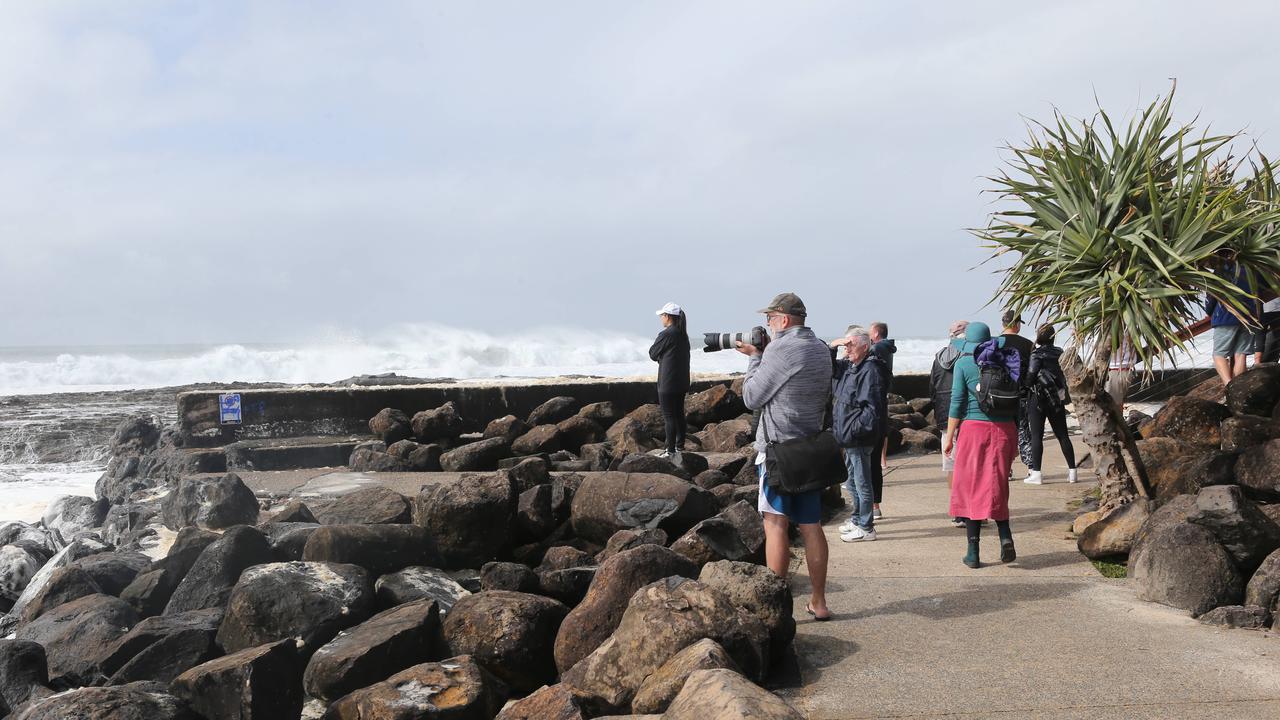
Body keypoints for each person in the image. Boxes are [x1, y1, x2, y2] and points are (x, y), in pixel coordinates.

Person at [736, 292, 834, 619]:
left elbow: (751, 397)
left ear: (784, 319)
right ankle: (818, 602)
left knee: (775, 525)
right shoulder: (821, 348)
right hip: (810, 449)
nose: (767, 325)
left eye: (770, 319)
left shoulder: (781, 348)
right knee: (811, 526)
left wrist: (754, 358)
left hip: (779, 452)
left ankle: (776, 611)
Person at [942, 322, 1019, 569]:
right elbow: (1018, 400)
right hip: (1005, 430)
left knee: (970, 488)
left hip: (974, 430)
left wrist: (950, 436)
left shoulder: (964, 364)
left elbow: (956, 402)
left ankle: (973, 552)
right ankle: (1005, 537)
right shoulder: (1006, 362)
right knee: (998, 484)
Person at [829, 328, 885, 542]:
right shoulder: (851, 366)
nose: (847, 348)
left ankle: (866, 527)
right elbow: (830, 369)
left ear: (864, 345)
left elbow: (872, 409)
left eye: (851, 344)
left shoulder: (870, 370)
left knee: (862, 483)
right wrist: (832, 347)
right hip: (848, 436)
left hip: (857, 437)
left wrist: (854, 430)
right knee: (852, 481)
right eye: (846, 345)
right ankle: (856, 519)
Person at [1023, 324, 1077, 485]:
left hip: (1038, 398)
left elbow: (1031, 375)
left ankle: (1037, 474)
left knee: (1036, 436)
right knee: (1063, 435)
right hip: (1057, 397)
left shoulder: (1036, 354)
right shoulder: (1060, 352)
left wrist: (1026, 385)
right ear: (1053, 337)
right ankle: (1072, 472)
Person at [930, 320, 968, 527]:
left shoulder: (939, 357)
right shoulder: (971, 354)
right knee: (970, 463)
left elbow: (932, 388)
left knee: (951, 465)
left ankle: (957, 510)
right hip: (968, 415)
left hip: (945, 415)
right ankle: (971, 509)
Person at [1205, 262, 1258, 386]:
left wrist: (1209, 311)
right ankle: (1239, 388)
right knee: (1241, 354)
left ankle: (1230, 386)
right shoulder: (1252, 268)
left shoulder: (1222, 269)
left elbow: (1211, 297)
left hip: (1225, 316)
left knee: (1219, 355)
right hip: (1249, 316)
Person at [648, 302, 690, 459]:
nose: (660, 318)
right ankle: (679, 447)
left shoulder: (667, 333)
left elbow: (652, 353)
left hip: (668, 382)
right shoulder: (682, 334)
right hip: (681, 381)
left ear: (667, 316)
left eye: (662, 315)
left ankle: (669, 450)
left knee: (669, 416)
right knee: (679, 414)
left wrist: (661, 357)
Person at [999, 311, 1035, 471]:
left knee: (1002, 432)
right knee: (1024, 430)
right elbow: (1033, 370)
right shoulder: (1028, 344)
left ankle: (1006, 468)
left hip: (998, 395)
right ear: (1016, 324)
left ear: (1003, 324)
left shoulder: (994, 343)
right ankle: (1031, 468)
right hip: (1021, 394)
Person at [867, 321, 895, 515]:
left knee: (867, 464)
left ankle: (867, 511)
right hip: (881, 405)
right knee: (875, 462)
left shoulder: (876, 350)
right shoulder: (887, 349)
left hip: (870, 411)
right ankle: (874, 507)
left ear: (876, 333)